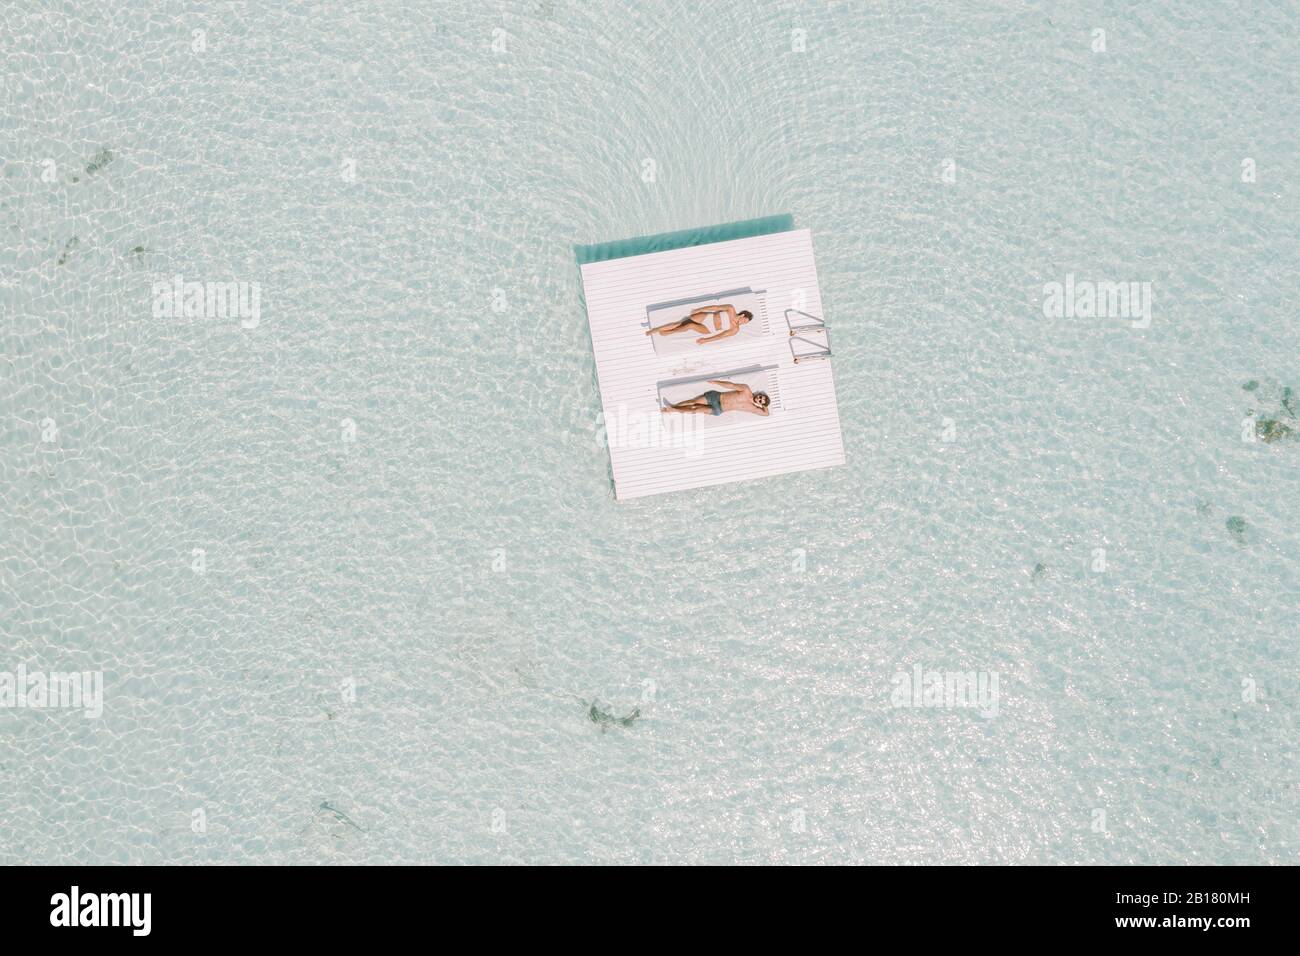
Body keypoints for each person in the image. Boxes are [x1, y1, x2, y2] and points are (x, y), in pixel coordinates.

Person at [646, 304, 754, 344]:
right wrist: (698, 309)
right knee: (680, 322)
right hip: (708, 317)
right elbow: (715, 308)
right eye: (745, 321)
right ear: (743, 315)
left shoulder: (735, 329)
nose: (743, 323)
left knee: (689, 325)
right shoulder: (731, 309)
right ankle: (655, 330)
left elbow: (720, 336)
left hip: (709, 328)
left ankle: (670, 332)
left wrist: (706, 340)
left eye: (745, 323)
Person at [662, 380, 770, 417]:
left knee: (695, 410)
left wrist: (763, 405)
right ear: (759, 394)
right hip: (716, 397)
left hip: (719, 409)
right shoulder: (746, 389)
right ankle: (672, 407)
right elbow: (731, 385)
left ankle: (673, 410)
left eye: (760, 401)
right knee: (693, 402)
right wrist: (716, 382)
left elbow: (766, 414)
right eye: (760, 397)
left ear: (760, 404)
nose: (759, 399)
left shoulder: (752, 408)